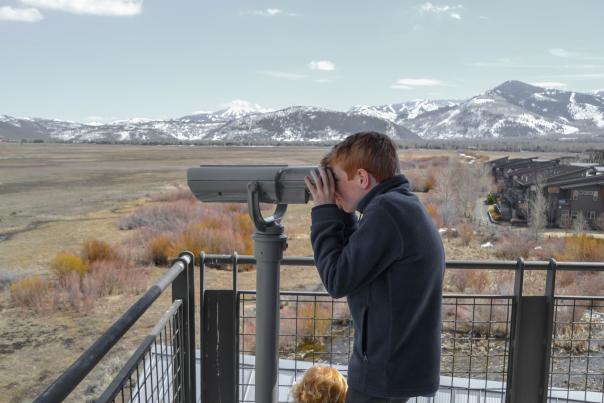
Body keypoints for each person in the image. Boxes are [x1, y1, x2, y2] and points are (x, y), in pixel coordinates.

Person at [304, 132, 445, 403]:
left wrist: (324, 211)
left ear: (361, 177)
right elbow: (358, 260)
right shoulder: (402, 206)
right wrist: (343, 212)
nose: (332, 190)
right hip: (398, 367)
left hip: (383, 373)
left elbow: (337, 279)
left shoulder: (386, 211)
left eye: (336, 181)